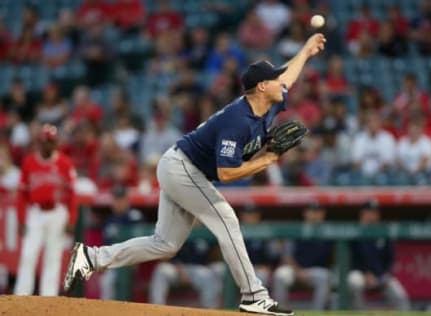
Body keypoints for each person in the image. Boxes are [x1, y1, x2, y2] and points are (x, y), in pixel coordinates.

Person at [64, 33, 327, 316]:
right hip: (183, 169)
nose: (282, 82)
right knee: (227, 219)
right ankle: (254, 295)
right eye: (275, 79)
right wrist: (270, 158)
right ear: (262, 86)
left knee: (165, 244)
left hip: (182, 167)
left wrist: (306, 51)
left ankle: (90, 257)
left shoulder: (269, 100)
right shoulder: (237, 121)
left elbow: (288, 74)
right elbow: (227, 173)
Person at [14, 124, 77, 296]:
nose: (46, 145)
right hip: (36, 213)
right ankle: (22, 294)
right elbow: (22, 195)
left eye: (50, 142)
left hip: (57, 212)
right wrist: (21, 219)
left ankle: (48, 297)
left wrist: (71, 220)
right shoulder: (29, 162)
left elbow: (72, 195)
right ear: (39, 143)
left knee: (53, 256)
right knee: (28, 253)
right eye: (44, 142)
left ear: (55, 143)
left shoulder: (65, 163)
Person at [347, 199, 410, 310]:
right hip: (360, 274)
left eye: (375, 212)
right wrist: (366, 273)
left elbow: (390, 260)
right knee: (354, 282)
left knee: (400, 295)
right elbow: (348, 259)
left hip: (380, 277)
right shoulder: (354, 231)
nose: (372, 215)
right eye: (369, 212)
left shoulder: (383, 232)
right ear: (362, 214)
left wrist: (384, 275)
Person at [272, 202, 333, 310]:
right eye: (311, 212)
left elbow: (335, 259)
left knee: (325, 277)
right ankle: (281, 311)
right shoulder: (296, 230)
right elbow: (287, 256)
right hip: (295, 269)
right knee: (280, 274)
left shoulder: (328, 233)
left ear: (323, 214)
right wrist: (298, 271)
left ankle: (317, 313)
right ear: (305, 214)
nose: (314, 215)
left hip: (316, 271)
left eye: (318, 212)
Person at [149, 221, 222, 308]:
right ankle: (156, 308)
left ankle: (209, 311)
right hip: (176, 267)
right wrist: (180, 270)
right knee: (162, 270)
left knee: (209, 275)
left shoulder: (208, 231)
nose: (196, 219)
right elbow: (165, 257)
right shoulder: (178, 229)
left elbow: (214, 256)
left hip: (198, 269)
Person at [100, 185, 144, 300]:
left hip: (131, 260)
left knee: (116, 281)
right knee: (106, 281)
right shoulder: (110, 220)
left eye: (121, 199)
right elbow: (105, 245)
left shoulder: (134, 216)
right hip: (113, 261)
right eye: (116, 199)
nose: (118, 203)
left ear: (126, 200)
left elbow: (139, 242)